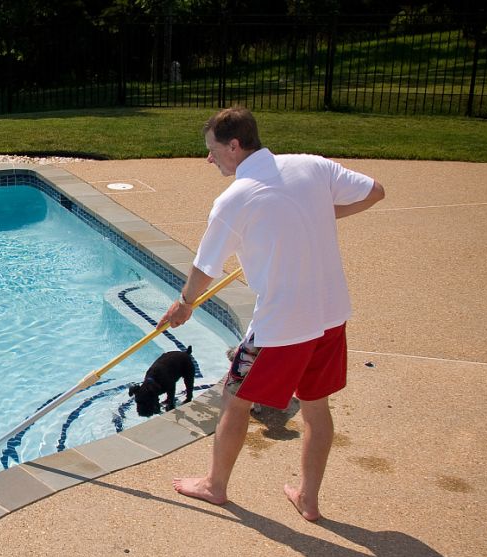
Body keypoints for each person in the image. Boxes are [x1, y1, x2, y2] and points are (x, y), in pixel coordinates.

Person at [158, 106, 385, 521]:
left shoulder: (234, 199)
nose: (209, 159)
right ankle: (309, 499)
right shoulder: (310, 166)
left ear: (234, 145)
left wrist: (184, 305)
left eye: (212, 150)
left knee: (234, 399)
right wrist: (316, 215)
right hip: (331, 314)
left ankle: (215, 486)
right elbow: (374, 191)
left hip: (281, 327)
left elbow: (203, 270)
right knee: (316, 408)